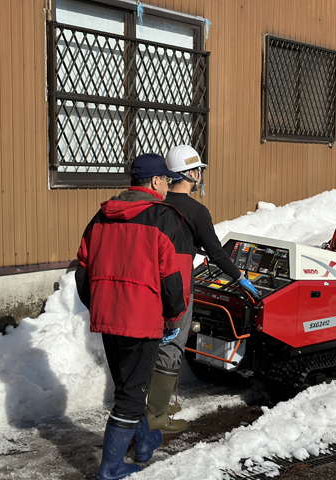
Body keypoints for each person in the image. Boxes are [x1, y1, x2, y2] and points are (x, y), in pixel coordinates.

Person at [75, 153, 191, 480]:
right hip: (142, 320)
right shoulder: (164, 218)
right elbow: (173, 280)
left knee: (129, 385)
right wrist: (173, 319)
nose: (168, 185)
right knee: (130, 394)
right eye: (167, 180)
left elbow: (82, 273)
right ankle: (110, 468)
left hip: (108, 318)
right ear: (155, 182)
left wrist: (98, 305)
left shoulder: (101, 217)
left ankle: (143, 443)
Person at [145, 145, 261, 432]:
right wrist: (240, 278)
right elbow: (217, 252)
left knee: (156, 342)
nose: (200, 176)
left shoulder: (155, 203)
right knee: (172, 344)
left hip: (152, 284)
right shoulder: (196, 210)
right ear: (191, 174)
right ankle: (156, 416)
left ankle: (157, 402)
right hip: (179, 285)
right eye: (198, 171)